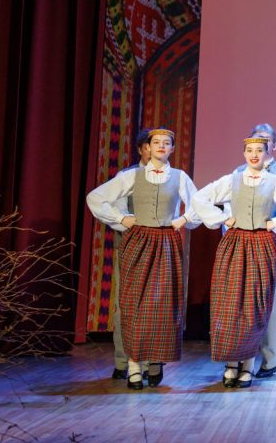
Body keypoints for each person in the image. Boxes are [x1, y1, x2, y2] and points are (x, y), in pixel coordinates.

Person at [192, 136, 276, 388]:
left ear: (267, 153)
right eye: (249, 150)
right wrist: (222, 219)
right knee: (230, 303)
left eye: (259, 150)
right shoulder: (232, 180)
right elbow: (199, 198)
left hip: (261, 243)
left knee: (254, 304)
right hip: (235, 243)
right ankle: (230, 363)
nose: (254, 154)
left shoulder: (275, 182)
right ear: (244, 153)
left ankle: (247, 365)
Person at [86, 128, 201, 390]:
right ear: (146, 147)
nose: (161, 146)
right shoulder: (132, 176)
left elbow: (200, 204)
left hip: (166, 241)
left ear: (172, 148)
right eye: (156, 142)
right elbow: (96, 197)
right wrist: (121, 218)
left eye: (166, 143)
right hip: (138, 240)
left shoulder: (179, 177)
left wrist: (183, 219)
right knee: (134, 302)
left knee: (162, 303)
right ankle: (134, 366)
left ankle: (156, 361)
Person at [231, 123, 276, 380]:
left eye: (266, 140)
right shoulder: (238, 173)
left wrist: (273, 236)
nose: (261, 144)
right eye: (257, 139)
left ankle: (269, 361)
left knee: (273, 300)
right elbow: (229, 208)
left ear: (274, 145)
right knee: (240, 301)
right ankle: (240, 357)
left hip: (272, 245)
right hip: (242, 245)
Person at [107, 128, 152, 380]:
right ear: (140, 149)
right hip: (130, 246)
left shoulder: (169, 177)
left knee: (152, 305)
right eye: (149, 146)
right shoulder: (126, 176)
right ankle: (122, 361)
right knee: (124, 305)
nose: (154, 150)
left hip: (157, 249)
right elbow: (117, 212)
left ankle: (147, 363)